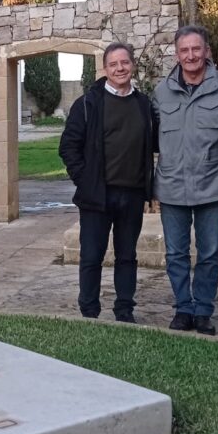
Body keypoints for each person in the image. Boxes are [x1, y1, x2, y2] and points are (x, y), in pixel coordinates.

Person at [152, 26, 218, 336]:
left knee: (209, 253)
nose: (190, 55)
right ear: (177, 54)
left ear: (206, 51)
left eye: (196, 49)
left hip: (213, 185)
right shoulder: (161, 91)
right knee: (175, 253)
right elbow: (152, 140)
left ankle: (203, 310)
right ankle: (183, 308)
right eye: (184, 50)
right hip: (172, 186)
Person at [59, 42, 156, 324]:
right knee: (91, 256)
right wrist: (85, 180)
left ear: (132, 65)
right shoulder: (88, 104)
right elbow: (68, 147)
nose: (120, 68)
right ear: (105, 69)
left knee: (127, 256)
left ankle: (124, 311)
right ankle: (89, 312)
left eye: (124, 63)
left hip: (133, 194)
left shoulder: (144, 104)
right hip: (96, 196)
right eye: (113, 64)